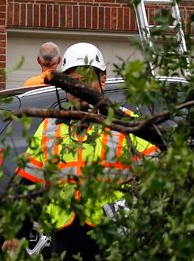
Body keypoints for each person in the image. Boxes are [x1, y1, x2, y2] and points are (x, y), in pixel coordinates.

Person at [14, 42, 159, 260]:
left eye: (86, 80)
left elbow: (160, 174)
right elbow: (27, 185)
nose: (79, 89)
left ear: (103, 79)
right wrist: (17, 233)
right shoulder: (49, 128)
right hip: (64, 242)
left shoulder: (126, 123)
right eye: (74, 82)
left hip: (112, 240)